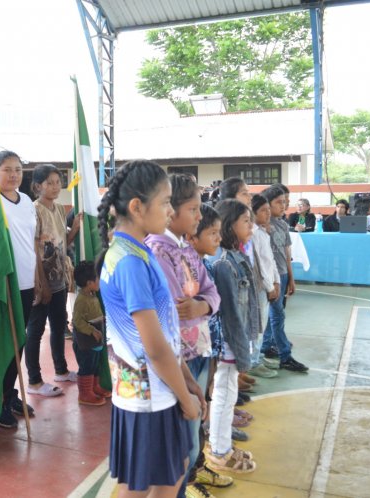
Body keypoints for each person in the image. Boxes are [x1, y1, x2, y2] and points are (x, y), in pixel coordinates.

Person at [97, 160, 204, 497]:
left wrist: (186, 379)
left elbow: (165, 334)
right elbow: (154, 347)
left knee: (166, 475)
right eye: (165, 202)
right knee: (153, 482)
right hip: (148, 395)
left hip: (151, 389)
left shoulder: (137, 253)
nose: (171, 211)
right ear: (137, 207)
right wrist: (185, 397)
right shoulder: (129, 262)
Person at [144, 174, 220, 497]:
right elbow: (171, 313)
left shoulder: (186, 249)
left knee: (193, 427)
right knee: (181, 440)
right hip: (178, 360)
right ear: (170, 211)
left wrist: (202, 307)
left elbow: (212, 293)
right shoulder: (157, 252)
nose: (200, 217)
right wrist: (198, 305)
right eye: (194, 209)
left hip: (198, 349)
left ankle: (185, 485)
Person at [206, 199, 258, 475]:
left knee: (228, 394)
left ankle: (221, 445)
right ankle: (219, 450)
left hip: (232, 340)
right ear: (229, 226)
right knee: (225, 396)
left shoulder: (233, 256)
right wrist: (241, 349)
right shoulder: (225, 262)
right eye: (246, 221)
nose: (251, 226)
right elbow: (230, 314)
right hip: (228, 340)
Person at [187, 203, 236, 496]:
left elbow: (213, 300)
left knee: (201, 412)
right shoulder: (183, 264)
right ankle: (189, 477)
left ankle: (198, 464)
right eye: (212, 233)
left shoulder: (204, 265)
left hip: (207, 347)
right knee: (191, 418)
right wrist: (206, 303)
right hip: (191, 352)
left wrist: (206, 303)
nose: (218, 238)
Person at [26, 164, 79, 397]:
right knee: (35, 330)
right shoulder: (34, 210)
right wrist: (42, 284)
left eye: (58, 182)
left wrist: (75, 229)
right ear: (38, 186)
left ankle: (61, 370)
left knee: (59, 325)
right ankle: (34, 381)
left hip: (59, 278)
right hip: (41, 281)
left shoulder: (59, 209)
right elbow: (34, 248)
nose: (55, 186)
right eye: (50, 182)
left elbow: (63, 243)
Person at [0, 150, 36, 428]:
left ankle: (10, 394)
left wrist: (39, 279)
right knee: (4, 345)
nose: (13, 175)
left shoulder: (27, 201)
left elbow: (31, 241)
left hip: (28, 283)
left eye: (18, 169)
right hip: (5, 285)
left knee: (19, 342)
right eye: (7, 169)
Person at [260, 186, 308, 373]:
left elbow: (287, 253)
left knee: (276, 314)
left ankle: (266, 345)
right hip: (271, 277)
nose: (284, 205)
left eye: (285, 201)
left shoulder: (282, 224)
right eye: (279, 202)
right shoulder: (264, 227)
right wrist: (273, 280)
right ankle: (284, 355)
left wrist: (291, 277)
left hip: (283, 274)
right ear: (267, 205)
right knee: (277, 315)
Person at [247, 195, 280, 379]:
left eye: (269, 209)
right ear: (253, 212)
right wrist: (269, 287)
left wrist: (277, 281)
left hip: (268, 285)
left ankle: (258, 355)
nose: (268, 213)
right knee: (256, 326)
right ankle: (252, 361)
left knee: (263, 323)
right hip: (260, 286)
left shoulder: (263, 232)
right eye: (263, 210)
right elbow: (258, 265)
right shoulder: (252, 234)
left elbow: (270, 259)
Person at [71, 261, 110, 406]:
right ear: (89, 283)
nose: (100, 280)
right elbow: (77, 321)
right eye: (98, 278)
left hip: (96, 339)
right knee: (86, 365)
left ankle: (94, 387)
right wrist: (91, 330)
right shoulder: (81, 300)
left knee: (95, 364)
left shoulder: (92, 294)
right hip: (86, 341)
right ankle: (84, 394)